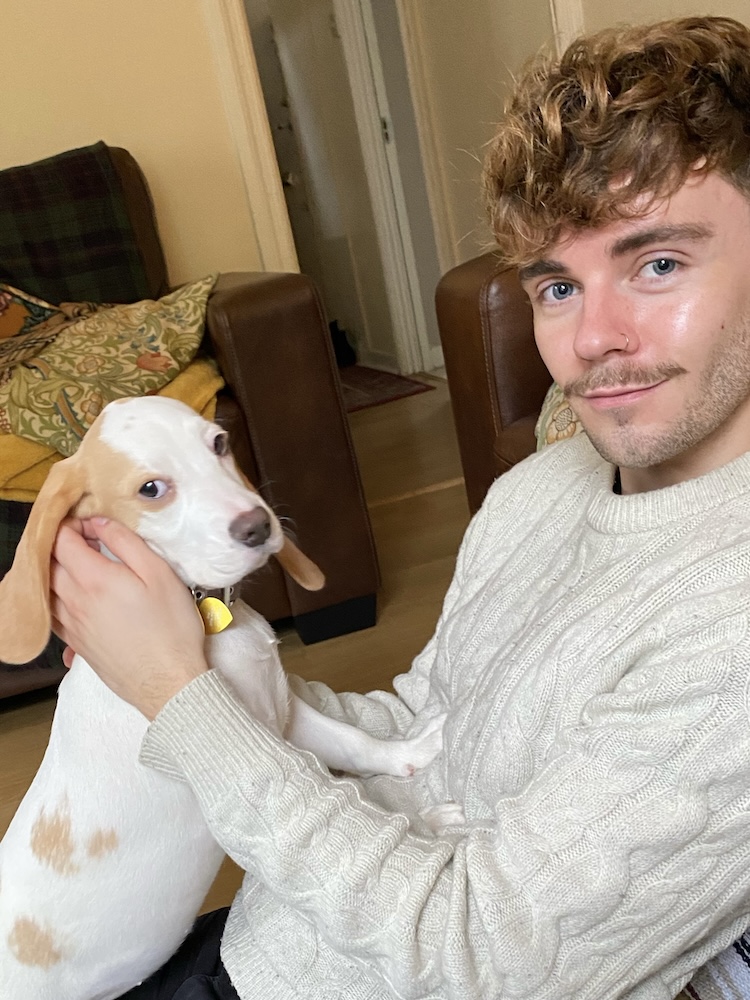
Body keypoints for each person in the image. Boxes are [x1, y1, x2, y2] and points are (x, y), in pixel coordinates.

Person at [50, 14, 750, 1000]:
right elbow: (429, 719)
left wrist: (179, 695)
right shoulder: (540, 488)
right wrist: (172, 665)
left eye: (659, 264)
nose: (591, 338)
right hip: (285, 923)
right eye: (556, 284)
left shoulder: (731, 625)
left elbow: (481, 958)